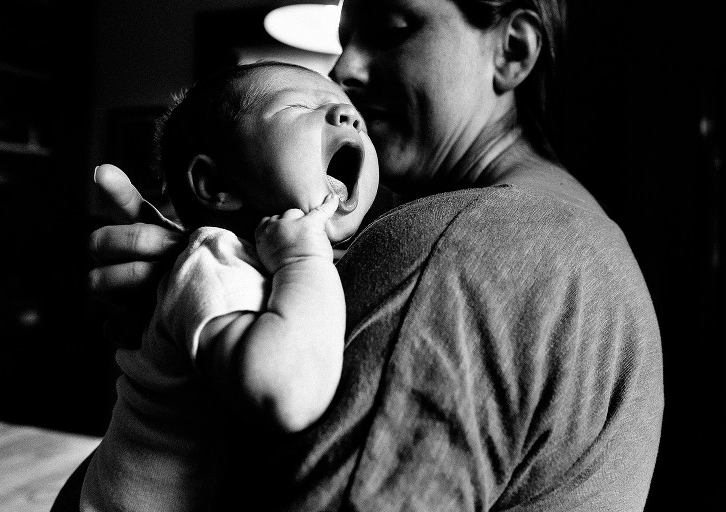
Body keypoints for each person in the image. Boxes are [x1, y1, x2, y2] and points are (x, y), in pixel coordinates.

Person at [75, 0, 664, 510]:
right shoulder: (576, 233)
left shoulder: (458, 246)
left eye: (392, 28)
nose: (344, 71)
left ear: (512, 50)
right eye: (345, 40)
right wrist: (180, 336)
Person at [80, 62, 379, 511]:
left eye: (357, 118)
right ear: (216, 184)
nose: (348, 116)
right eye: (301, 106)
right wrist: (303, 261)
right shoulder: (215, 263)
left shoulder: (309, 265)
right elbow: (285, 392)